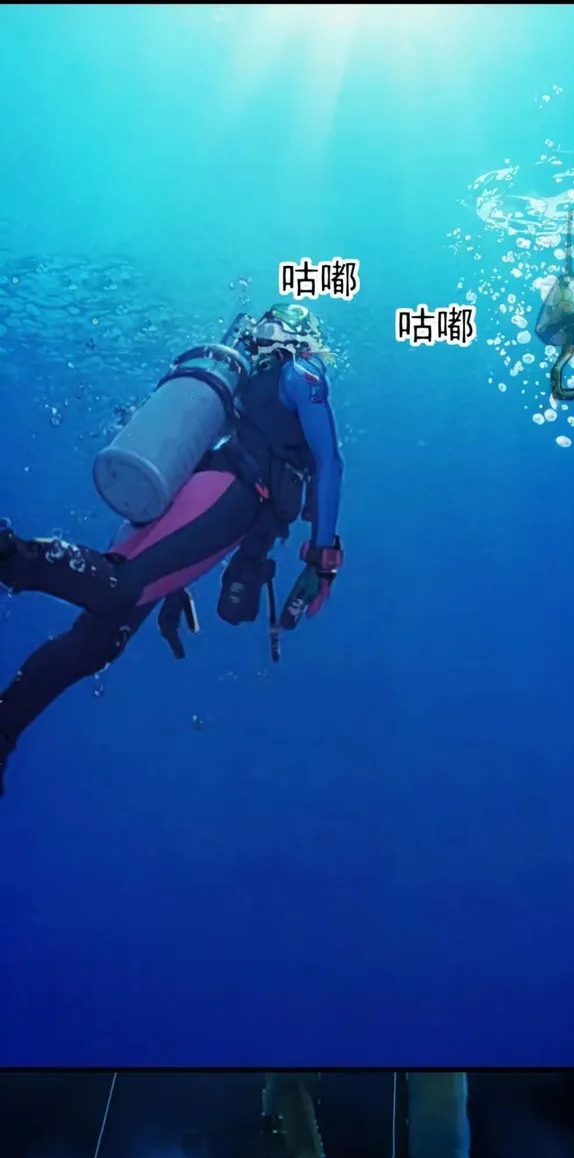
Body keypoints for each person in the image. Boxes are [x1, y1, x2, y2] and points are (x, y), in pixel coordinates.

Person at [0, 303, 344, 795]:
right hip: (229, 493)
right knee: (117, 588)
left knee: (100, 640)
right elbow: (330, 464)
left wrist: (173, 582)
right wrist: (323, 559)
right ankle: (9, 553)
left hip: (200, 492)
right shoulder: (302, 373)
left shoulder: (255, 382)